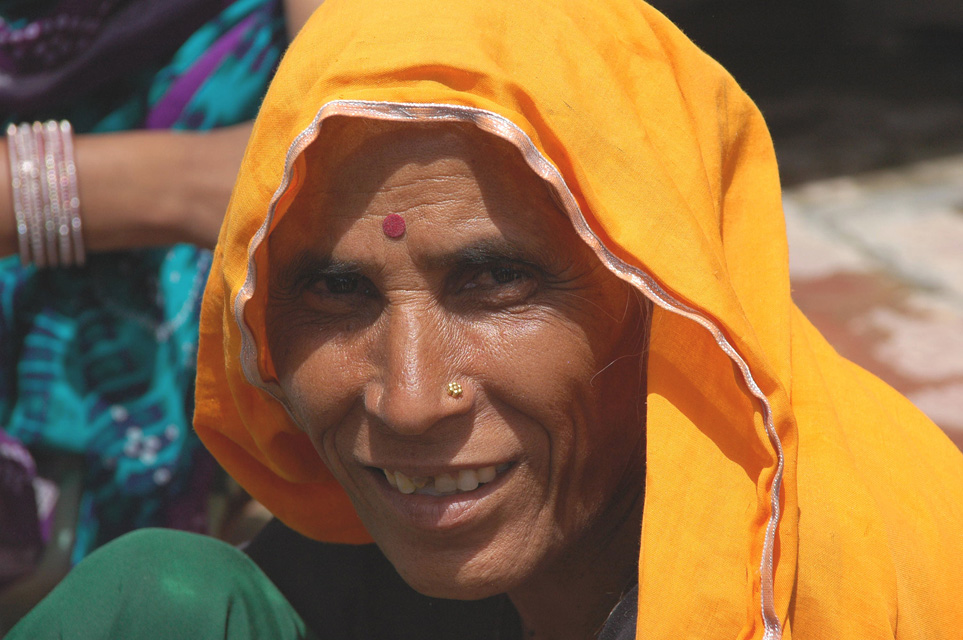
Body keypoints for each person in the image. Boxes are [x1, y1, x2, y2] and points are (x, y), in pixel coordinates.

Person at [8, 0, 963, 638]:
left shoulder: (815, 593)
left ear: (665, 298)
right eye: (335, 291)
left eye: (497, 281)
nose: (410, 400)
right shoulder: (359, 574)